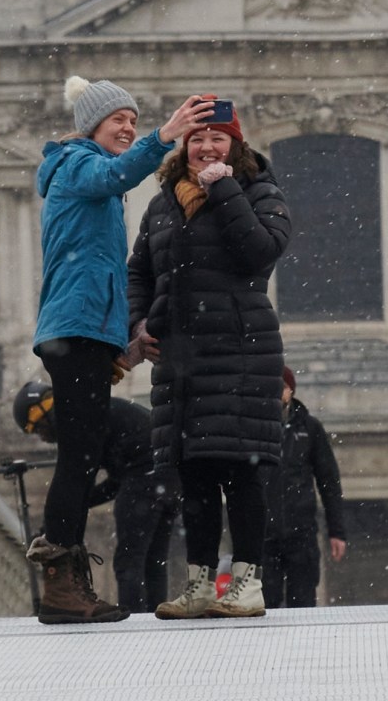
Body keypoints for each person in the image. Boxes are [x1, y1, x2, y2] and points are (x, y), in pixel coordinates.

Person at [26, 75, 213, 625]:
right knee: (77, 458)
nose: (128, 128)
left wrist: (125, 347)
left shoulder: (90, 177)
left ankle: (68, 581)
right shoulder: (78, 165)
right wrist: (165, 135)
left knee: (82, 457)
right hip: (73, 329)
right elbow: (115, 174)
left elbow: (101, 275)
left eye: (133, 120)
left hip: (82, 331)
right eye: (119, 121)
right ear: (92, 127)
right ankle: (62, 588)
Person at [127, 96, 291, 619]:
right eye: (197, 138)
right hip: (180, 358)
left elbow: (261, 251)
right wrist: (137, 324)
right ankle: (198, 585)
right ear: (183, 145)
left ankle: (246, 585)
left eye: (217, 137)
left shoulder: (259, 191)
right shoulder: (162, 204)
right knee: (192, 475)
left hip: (241, 352)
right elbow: (139, 272)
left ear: (235, 144)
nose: (205, 146)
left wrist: (224, 189)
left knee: (241, 473)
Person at [14, 380, 181, 613]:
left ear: (45, 413)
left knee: (128, 561)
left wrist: (53, 529)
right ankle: (153, 618)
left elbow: (79, 483)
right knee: (154, 560)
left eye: (37, 429)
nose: (41, 438)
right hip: (169, 477)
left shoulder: (76, 425)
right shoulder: (100, 412)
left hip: (144, 478)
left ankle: (133, 621)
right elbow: (114, 483)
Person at [261, 366, 346, 608]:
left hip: (302, 532)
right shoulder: (255, 429)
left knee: (304, 604)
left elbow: (329, 482)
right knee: (266, 605)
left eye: (281, 388)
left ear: (291, 391)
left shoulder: (310, 428)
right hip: (264, 533)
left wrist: (336, 531)